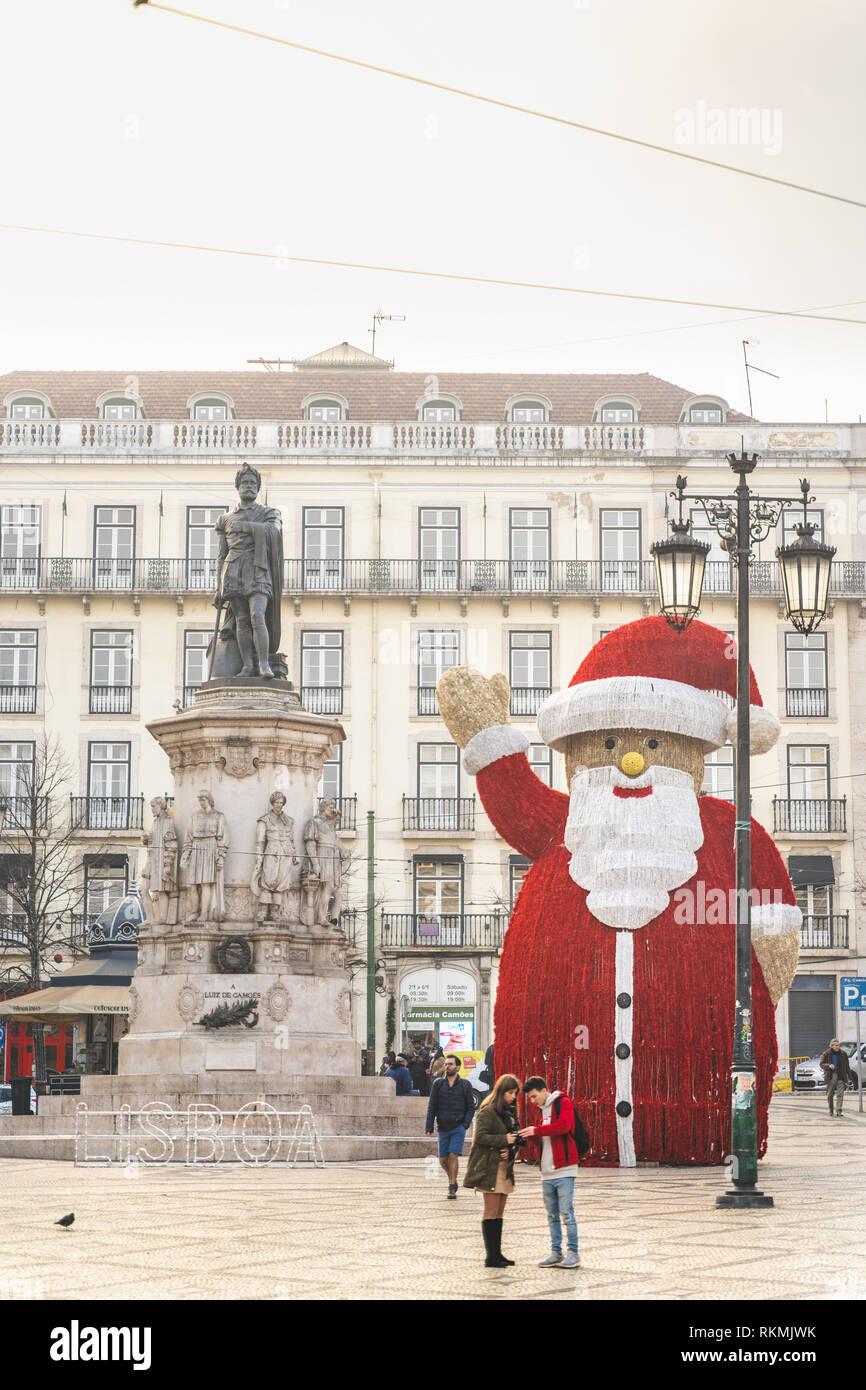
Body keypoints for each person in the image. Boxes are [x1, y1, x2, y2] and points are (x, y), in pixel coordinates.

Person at [519, 1076, 581, 1269]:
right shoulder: (540, 1113)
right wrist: (530, 1137)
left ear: (544, 1091)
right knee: (552, 1214)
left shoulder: (563, 1102)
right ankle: (556, 1252)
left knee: (566, 1213)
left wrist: (536, 1130)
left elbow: (564, 1126)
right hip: (546, 1171)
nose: (532, 1101)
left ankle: (573, 1253)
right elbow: (543, 1139)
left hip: (564, 1169)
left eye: (534, 1096)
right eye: (530, 1098)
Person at [462, 1073, 522, 1267]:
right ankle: (491, 1256)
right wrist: (504, 1141)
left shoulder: (510, 1111)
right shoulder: (487, 1111)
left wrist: (510, 1149)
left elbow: (514, 1137)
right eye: (510, 1093)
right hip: (490, 1167)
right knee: (491, 1211)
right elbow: (480, 1137)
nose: (513, 1097)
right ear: (501, 1091)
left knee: (500, 1213)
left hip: (505, 1167)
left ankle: (498, 1253)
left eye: (515, 1093)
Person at [425, 1054, 476, 1199]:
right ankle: (452, 1178)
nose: (448, 1066)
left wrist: (465, 1124)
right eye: (446, 1064)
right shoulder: (438, 1084)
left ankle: (452, 1187)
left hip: (458, 1127)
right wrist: (429, 1126)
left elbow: (470, 1107)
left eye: (451, 1064)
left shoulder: (465, 1085)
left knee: (453, 1155)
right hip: (443, 1127)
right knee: (442, 1159)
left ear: (458, 1067)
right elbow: (432, 1106)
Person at [820, 1038, 853, 1117]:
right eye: (835, 1045)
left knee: (840, 1094)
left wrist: (849, 1078)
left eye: (838, 1045)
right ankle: (831, 1110)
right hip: (831, 1076)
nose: (837, 1047)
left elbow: (847, 1067)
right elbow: (821, 1064)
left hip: (841, 1076)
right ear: (831, 1046)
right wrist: (828, 1065)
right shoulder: (826, 1053)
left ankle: (839, 1111)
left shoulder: (843, 1053)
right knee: (830, 1094)